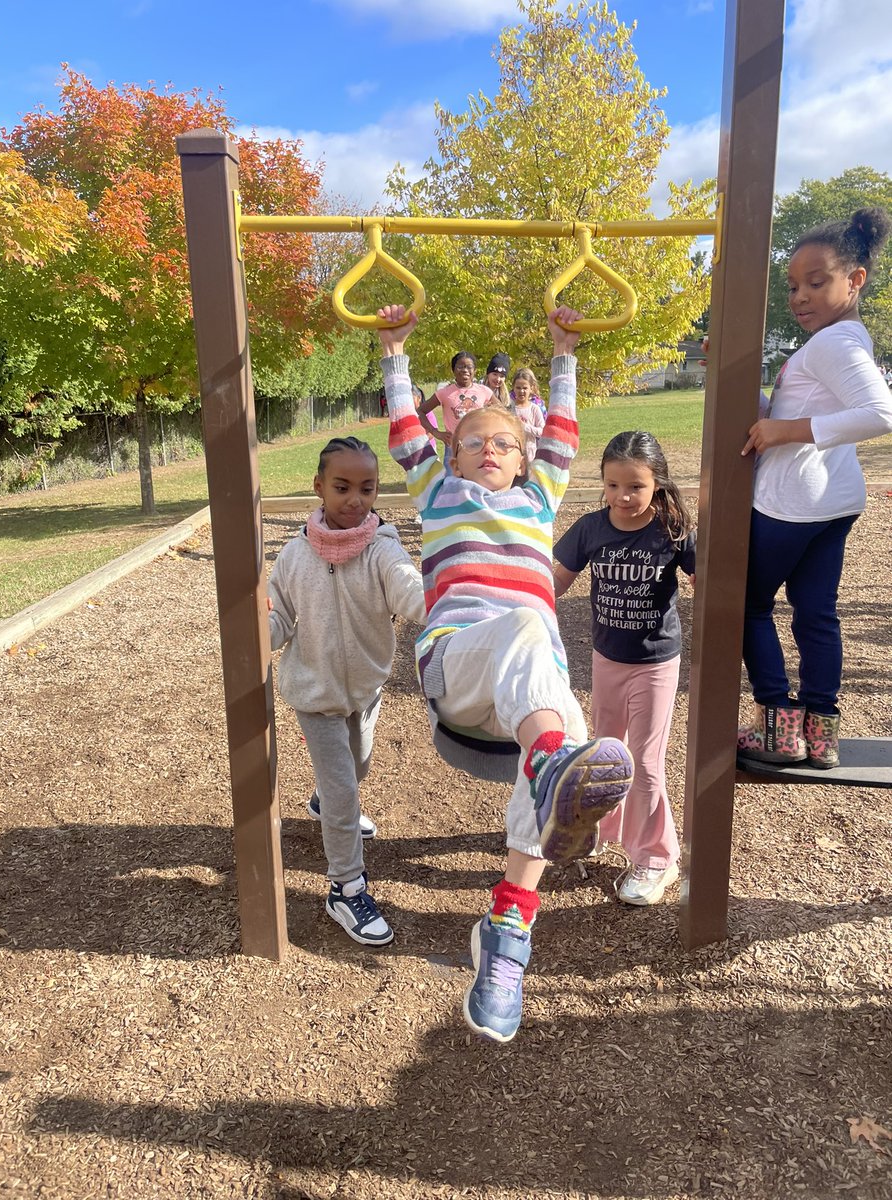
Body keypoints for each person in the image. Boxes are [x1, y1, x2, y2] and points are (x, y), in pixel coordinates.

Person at [378, 301, 633, 1044]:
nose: (489, 447)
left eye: (503, 441)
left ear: (523, 461)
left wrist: (564, 354)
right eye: (472, 441)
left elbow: (563, 432)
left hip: (526, 695)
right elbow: (402, 432)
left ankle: (507, 932)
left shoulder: (538, 497)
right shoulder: (439, 493)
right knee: (529, 631)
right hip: (459, 664)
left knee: (570, 737)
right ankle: (554, 764)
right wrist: (395, 354)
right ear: (450, 457)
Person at [737, 207, 892, 769]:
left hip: (791, 504)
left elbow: (879, 412)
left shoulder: (833, 344)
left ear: (855, 281)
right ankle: (821, 734)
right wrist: (763, 408)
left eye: (816, 282)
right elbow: (793, 410)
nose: (799, 296)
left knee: (747, 606)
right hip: (834, 502)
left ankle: (779, 728)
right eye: (794, 285)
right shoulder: (841, 338)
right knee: (816, 613)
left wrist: (785, 430)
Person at [267, 436, 426, 946]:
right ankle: (345, 886)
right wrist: (257, 630)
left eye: (367, 488)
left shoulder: (383, 548)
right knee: (343, 793)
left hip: (365, 686)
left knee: (357, 769)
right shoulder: (293, 556)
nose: (355, 499)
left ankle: (324, 799)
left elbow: (407, 587)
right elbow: (279, 619)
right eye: (342, 487)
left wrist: (442, 604)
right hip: (313, 693)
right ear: (318, 487)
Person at [553, 431, 695, 906]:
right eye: (613, 485)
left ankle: (658, 858)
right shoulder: (593, 528)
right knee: (607, 754)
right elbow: (555, 581)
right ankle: (607, 829)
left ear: (657, 483)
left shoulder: (672, 530)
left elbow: (710, 575)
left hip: (655, 663)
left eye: (635, 486)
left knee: (648, 764)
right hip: (606, 658)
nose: (622, 497)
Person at [415, 351, 494, 467]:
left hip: (478, 446)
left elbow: (502, 411)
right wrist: (436, 433)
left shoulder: (484, 391)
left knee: (477, 481)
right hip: (453, 447)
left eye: (469, 367)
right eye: (460, 367)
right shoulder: (444, 393)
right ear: (453, 370)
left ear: (475, 370)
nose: (465, 370)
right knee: (452, 483)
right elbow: (420, 411)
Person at [511, 367, 546, 462]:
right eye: (518, 388)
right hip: (512, 452)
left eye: (525, 388)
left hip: (530, 454)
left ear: (531, 388)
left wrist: (524, 427)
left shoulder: (534, 409)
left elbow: (542, 432)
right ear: (513, 388)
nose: (521, 391)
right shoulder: (509, 409)